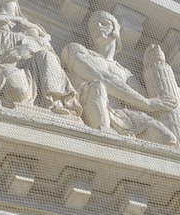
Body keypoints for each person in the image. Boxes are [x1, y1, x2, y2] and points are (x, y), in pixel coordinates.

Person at [61, 11, 178, 145]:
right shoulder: (75, 49)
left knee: (167, 139)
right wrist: (147, 103)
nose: (98, 26)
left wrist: (155, 65)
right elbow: (101, 76)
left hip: (122, 116)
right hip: (90, 105)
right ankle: (104, 136)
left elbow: (154, 100)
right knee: (97, 86)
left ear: (116, 30)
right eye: (93, 26)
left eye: (104, 23)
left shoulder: (125, 73)